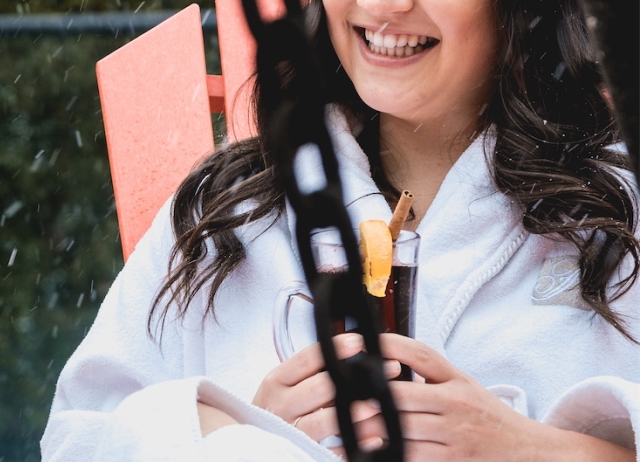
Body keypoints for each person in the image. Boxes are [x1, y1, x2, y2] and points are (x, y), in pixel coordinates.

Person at [44, 0, 640, 459]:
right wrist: (236, 435)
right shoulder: (228, 215)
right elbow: (79, 437)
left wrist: (529, 449)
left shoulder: (618, 214)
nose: (383, 7)